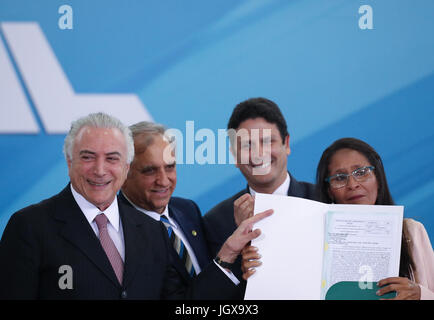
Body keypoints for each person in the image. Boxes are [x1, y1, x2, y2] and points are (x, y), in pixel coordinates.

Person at [0, 112, 272, 299]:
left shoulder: (152, 231)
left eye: (112, 158)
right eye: (88, 157)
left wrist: (228, 255)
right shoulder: (29, 227)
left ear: (125, 166)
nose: (100, 169)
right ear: (69, 162)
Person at [242, 137, 434, 300]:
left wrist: (419, 293)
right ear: (329, 191)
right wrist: (259, 268)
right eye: (340, 178)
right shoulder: (306, 239)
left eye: (361, 172)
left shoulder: (411, 232)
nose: (352, 184)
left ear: (378, 178)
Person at [203, 97, 318, 280]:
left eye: (267, 141)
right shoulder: (215, 223)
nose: (258, 154)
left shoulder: (324, 200)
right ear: (234, 155)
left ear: (286, 144)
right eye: (247, 145)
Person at [119, 121, 210, 282]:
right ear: (123, 175)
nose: (163, 181)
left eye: (169, 167)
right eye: (150, 171)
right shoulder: (116, 229)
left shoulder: (188, 209)